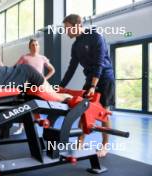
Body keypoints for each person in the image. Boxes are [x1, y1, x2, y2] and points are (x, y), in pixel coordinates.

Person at [60, 14, 115, 157]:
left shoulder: (96, 36)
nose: (66, 31)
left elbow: (99, 63)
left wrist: (93, 86)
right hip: (91, 78)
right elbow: (71, 68)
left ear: (77, 25)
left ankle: (104, 146)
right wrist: (60, 86)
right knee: (83, 110)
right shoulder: (76, 45)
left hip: (104, 78)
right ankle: (80, 143)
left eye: (67, 28)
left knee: (103, 113)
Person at [14, 38, 55, 134]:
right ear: (29, 47)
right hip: (27, 84)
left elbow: (52, 70)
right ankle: (21, 126)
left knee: (37, 103)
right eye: (33, 45)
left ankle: (38, 121)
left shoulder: (42, 58)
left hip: (39, 84)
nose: (35, 47)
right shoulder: (24, 57)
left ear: (39, 46)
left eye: (36, 45)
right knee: (23, 103)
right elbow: (15, 68)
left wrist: (44, 79)